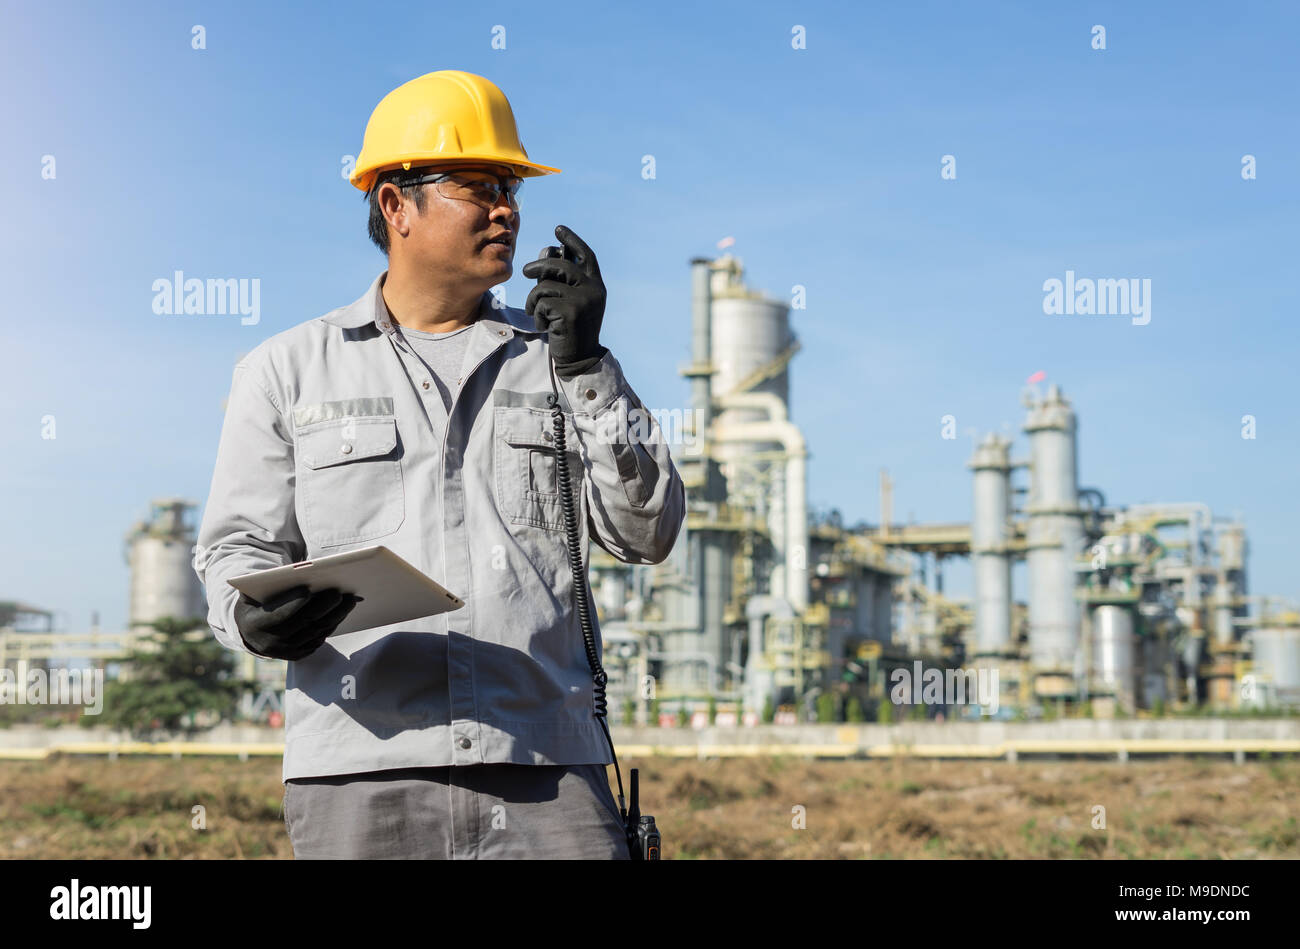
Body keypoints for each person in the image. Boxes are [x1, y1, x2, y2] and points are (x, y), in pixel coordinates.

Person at [191, 70, 686, 859]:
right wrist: (248, 618)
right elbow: (235, 549)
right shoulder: (285, 370)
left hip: (547, 767)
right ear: (397, 205)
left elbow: (649, 531)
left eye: (512, 188)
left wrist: (589, 365)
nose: (507, 210)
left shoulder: (561, 361)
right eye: (479, 186)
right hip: (361, 771)